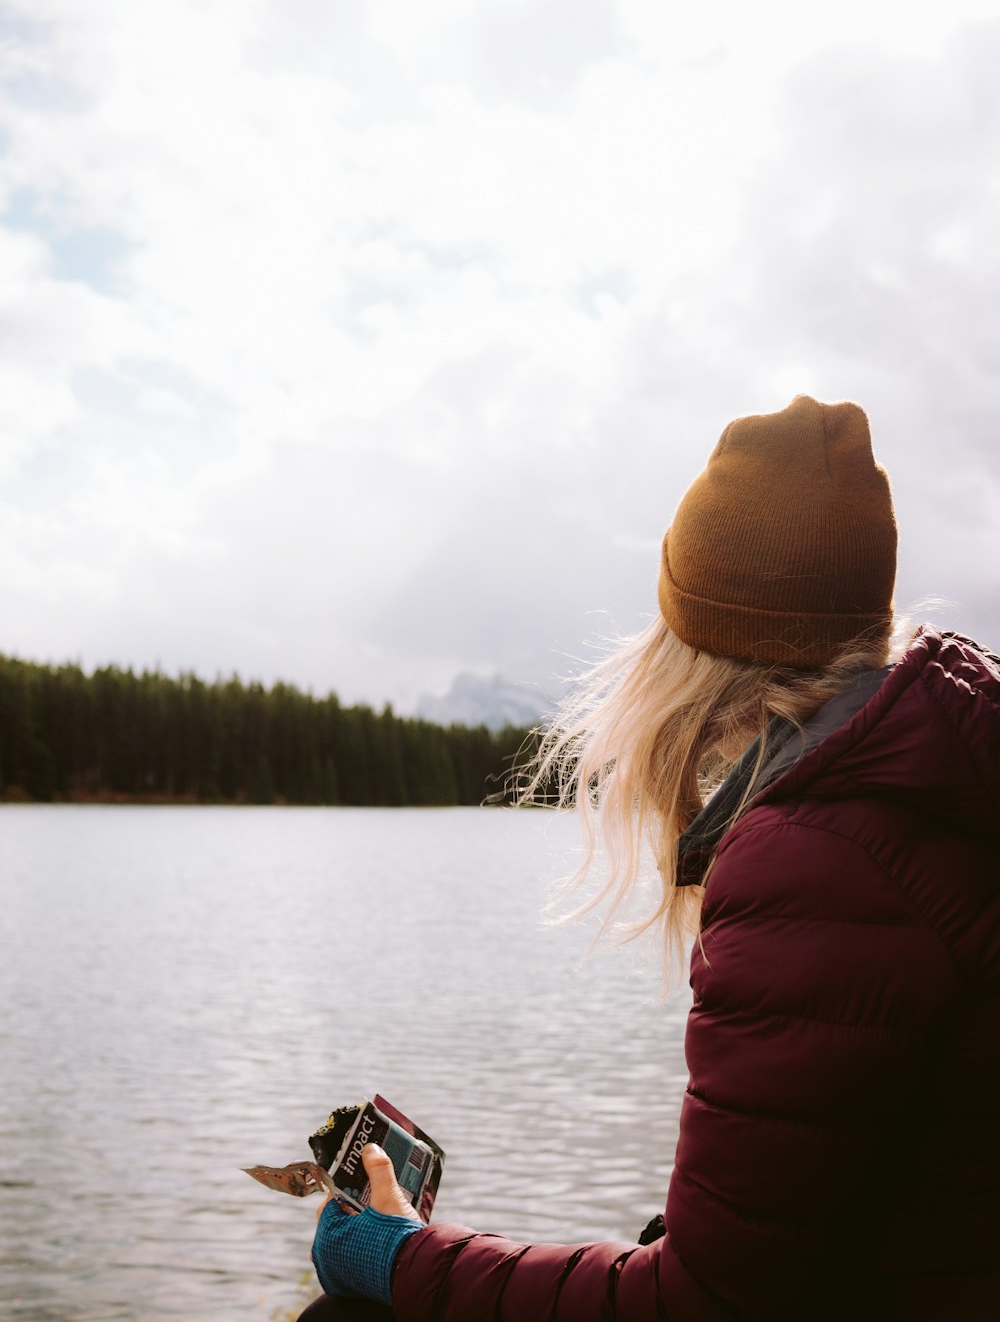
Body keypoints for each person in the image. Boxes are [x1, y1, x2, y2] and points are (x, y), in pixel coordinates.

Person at [300, 395, 1000, 1320]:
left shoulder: (814, 858)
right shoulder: (941, 782)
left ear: (700, 643)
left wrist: (403, 1259)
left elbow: (704, 1304)